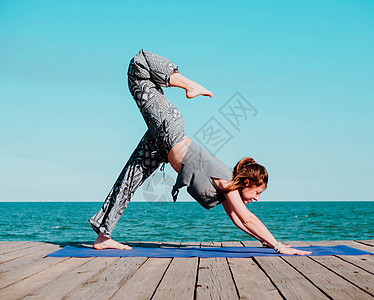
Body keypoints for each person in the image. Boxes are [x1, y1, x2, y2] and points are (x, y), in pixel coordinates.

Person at [89, 49, 311, 256]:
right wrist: (279, 246)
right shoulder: (226, 180)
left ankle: (103, 237)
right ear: (246, 183)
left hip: (160, 147)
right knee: (138, 65)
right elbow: (248, 219)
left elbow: (238, 220)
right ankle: (188, 84)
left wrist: (265, 242)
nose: (256, 198)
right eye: (258, 192)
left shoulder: (227, 191)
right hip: (170, 129)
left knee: (128, 182)